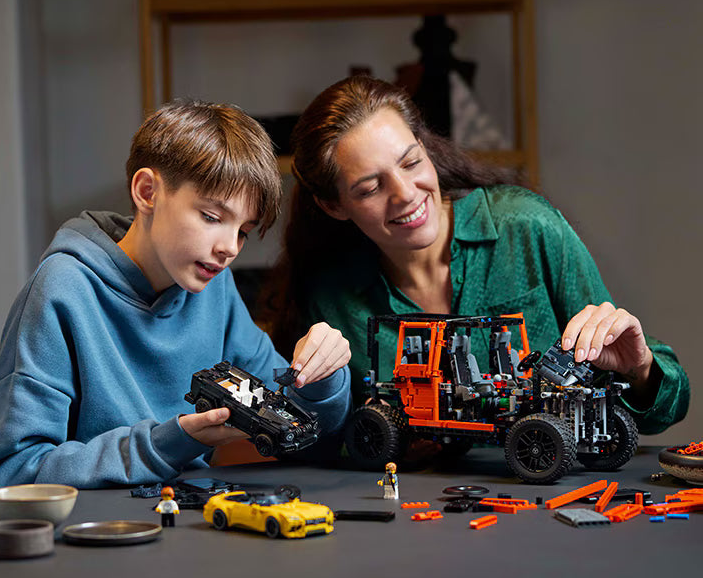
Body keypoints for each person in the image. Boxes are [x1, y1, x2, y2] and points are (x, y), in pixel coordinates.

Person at [267, 76, 688, 435]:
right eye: (371, 188)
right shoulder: (330, 294)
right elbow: (323, 437)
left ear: (425, 148)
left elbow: (665, 410)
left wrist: (640, 369)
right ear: (334, 205)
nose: (406, 194)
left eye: (411, 163)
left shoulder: (527, 227)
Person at [0, 100, 352, 493]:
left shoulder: (214, 286)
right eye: (211, 217)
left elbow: (304, 430)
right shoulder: (61, 290)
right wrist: (166, 443)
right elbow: (11, 475)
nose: (230, 248)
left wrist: (321, 380)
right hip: (96, 527)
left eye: (243, 231)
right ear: (147, 192)